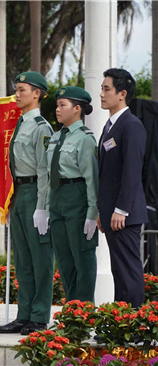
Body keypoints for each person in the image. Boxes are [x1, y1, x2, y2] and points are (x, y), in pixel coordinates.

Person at [0, 71, 54, 335]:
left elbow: (45, 170)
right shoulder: (18, 124)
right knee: (22, 259)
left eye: (21, 90)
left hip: (34, 193)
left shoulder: (41, 127)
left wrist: (43, 206)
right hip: (18, 194)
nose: (17, 95)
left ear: (36, 94)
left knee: (39, 258)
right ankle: (24, 315)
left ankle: (40, 316)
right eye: (16, 90)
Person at [97, 68, 147, 308]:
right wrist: (102, 211)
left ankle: (137, 328)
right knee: (119, 271)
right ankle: (122, 326)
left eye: (107, 89)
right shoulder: (110, 126)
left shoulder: (131, 125)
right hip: (111, 213)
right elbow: (107, 175)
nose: (101, 94)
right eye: (102, 88)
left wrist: (122, 209)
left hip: (124, 214)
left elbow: (131, 172)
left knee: (128, 270)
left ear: (122, 94)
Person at [47, 86, 98, 303]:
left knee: (83, 259)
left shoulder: (85, 138)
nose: (57, 109)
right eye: (57, 105)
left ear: (77, 109)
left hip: (77, 198)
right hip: (57, 199)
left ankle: (84, 313)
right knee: (64, 260)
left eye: (62, 105)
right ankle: (71, 310)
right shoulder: (56, 137)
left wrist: (92, 214)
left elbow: (92, 179)